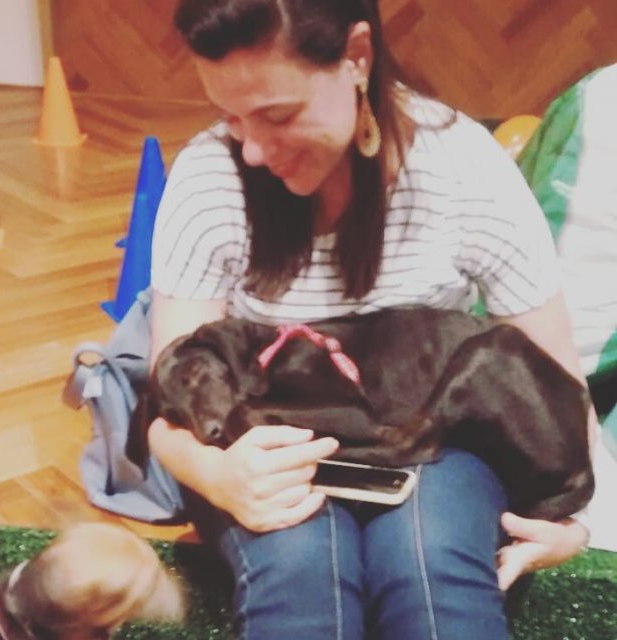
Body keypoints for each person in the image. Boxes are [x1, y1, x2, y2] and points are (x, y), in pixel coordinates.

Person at [147, 1, 595, 638]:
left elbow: (557, 380)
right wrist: (216, 475)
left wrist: (573, 521)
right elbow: (167, 404)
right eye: (230, 117)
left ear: (357, 57)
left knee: (430, 561)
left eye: (278, 115)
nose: (252, 150)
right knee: (301, 569)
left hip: (435, 434)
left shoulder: (462, 166)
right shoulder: (209, 174)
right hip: (263, 441)